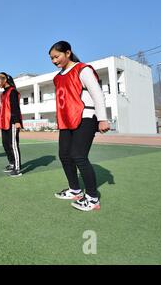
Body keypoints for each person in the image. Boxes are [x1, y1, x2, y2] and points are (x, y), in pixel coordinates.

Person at [49, 41, 110, 211]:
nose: (54, 61)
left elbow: (97, 93)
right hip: (66, 121)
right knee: (64, 155)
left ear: (68, 53)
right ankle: (75, 190)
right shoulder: (57, 78)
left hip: (86, 117)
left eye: (57, 56)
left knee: (78, 155)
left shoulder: (83, 69)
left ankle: (92, 198)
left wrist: (102, 119)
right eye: (52, 58)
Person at [0, 72, 23, 177]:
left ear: (4, 80)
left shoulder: (13, 92)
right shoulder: (3, 93)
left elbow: (15, 107)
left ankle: (17, 168)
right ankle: (11, 163)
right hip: (4, 123)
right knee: (5, 144)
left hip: (12, 123)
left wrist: (16, 122)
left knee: (13, 145)